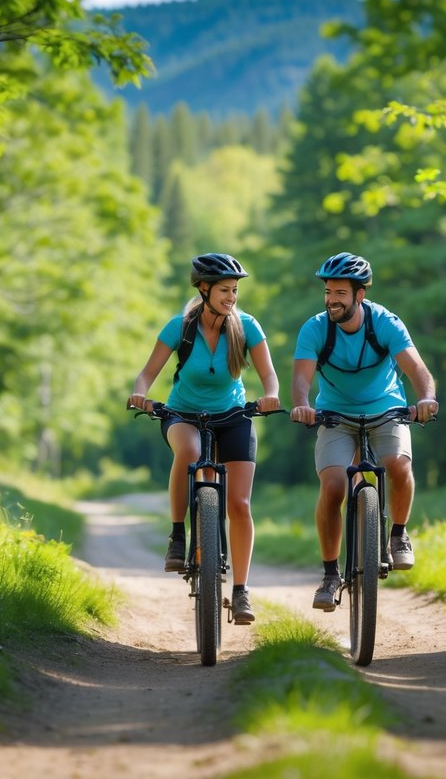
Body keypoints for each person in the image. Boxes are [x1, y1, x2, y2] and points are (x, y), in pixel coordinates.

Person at [127, 253, 281, 625]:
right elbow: (146, 375)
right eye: (225, 290)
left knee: (240, 505)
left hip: (233, 417)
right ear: (204, 289)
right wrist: (140, 394)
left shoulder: (246, 326)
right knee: (191, 451)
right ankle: (178, 536)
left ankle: (241, 592)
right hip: (183, 414)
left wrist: (270, 395)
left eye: (235, 290)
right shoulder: (180, 327)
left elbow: (270, 377)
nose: (231, 297)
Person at [289, 252, 438, 612]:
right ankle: (329, 574)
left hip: (386, 409)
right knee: (335, 485)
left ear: (360, 295)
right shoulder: (315, 328)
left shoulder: (385, 323)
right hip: (334, 415)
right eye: (327, 291)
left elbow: (417, 369)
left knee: (398, 466)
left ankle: (398, 535)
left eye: (340, 292)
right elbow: (300, 378)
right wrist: (302, 404)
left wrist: (427, 399)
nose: (331, 300)